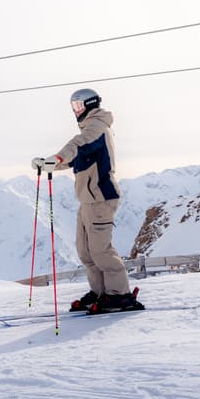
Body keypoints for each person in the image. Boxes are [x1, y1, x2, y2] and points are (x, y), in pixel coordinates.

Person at [32, 89, 144, 314]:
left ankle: (119, 295)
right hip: (88, 200)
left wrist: (57, 158)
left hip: (101, 197)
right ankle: (101, 291)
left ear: (90, 105)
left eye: (79, 106)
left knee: (101, 250)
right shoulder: (90, 129)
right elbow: (76, 157)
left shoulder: (96, 126)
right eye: (73, 107)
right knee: (85, 251)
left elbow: (77, 145)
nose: (76, 111)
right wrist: (49, 164)